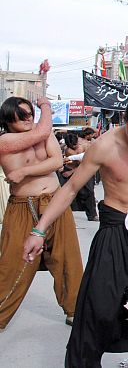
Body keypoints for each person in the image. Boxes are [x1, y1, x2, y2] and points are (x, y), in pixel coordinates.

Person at [22, 91, 128, 366]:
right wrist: (39, 230)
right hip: (115, 229)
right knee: (98, 309)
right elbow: (70, 189)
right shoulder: (104, 147)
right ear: (124, 119)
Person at [0, 97, 83, 331]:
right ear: (8, 119)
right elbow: (40, 138)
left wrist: (24, 170)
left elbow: (57, 161)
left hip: (54, 202)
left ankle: (74, 310)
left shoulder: (42, 132)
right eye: (22, 115)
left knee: (68, 259)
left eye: (29, 114)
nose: (28, 119)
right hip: (23, 206)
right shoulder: (5, 140)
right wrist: (45, 107)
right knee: (13, 262)